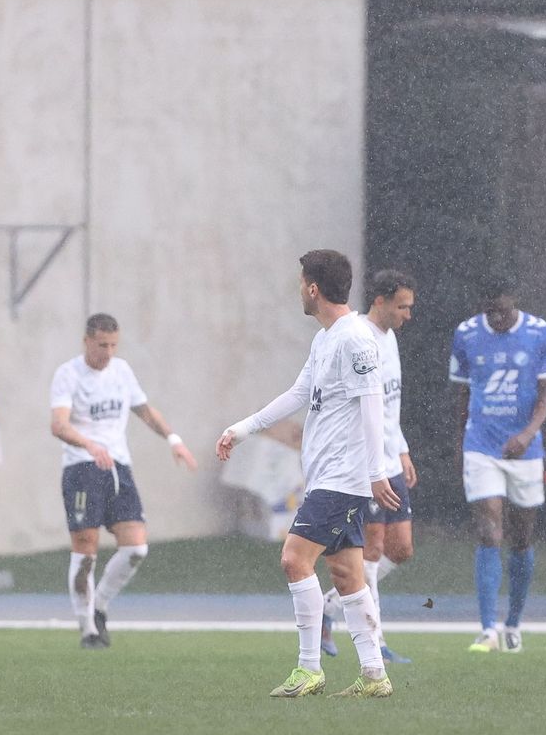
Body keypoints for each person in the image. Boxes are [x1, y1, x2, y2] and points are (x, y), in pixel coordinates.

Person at [216, 249, 402, 699]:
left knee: (294, 560)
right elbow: (299, 392)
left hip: (343, 477)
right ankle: (375, 675)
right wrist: (243, 428)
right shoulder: (326, 339)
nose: (299, 289)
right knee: (346, 574)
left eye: (302, 283)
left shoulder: (356, 338)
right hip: (326, 476)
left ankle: (308, 668)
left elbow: (372, 403)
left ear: (314, 288)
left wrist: (376, 471)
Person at [49, 313, 197, 649]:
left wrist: (174, 440)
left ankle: (99, 605)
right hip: (82, 468)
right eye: (102, 345)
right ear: (87, 341)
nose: (108, 352)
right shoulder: (68, 374)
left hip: (118, 466)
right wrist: (89, 444)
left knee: (135, 547)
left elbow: (144, 410)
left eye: (113, 345)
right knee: (86, 551)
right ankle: (87, 629)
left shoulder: (121, 370)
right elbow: (58, 425)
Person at [451, 277, 546, 654]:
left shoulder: (540, 332)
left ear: (514, 300)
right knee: (488, 531)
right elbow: (463, 393)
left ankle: (513, 622)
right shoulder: (466, 334)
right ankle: (487, 629)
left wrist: (528, 434)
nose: (497, 317)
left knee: (522, 537)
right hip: (482, 445)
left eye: (502, 308)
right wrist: (460, 443)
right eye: (490, 311)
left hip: (525, 451)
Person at [322, 270, 418, 664]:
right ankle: (375, 641)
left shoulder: (390, 338)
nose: (408, 315)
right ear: (379, 301)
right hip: (366, 462)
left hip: (391, 456)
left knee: (402, 548)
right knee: (373, 549)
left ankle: (327, 609)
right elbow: (358, 407)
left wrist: (403, 450)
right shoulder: (357, 339)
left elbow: (387, 404)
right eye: (402, 306)